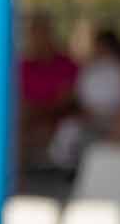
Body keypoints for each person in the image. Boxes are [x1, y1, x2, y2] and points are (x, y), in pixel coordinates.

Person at [18, 13, 80, 167]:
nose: (37, 39)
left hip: (55, 122)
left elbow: (65, 101)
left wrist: (36, 111)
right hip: (27, 122)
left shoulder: (67, 65)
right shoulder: (23, 66)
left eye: (42, 33)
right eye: (33, 34)